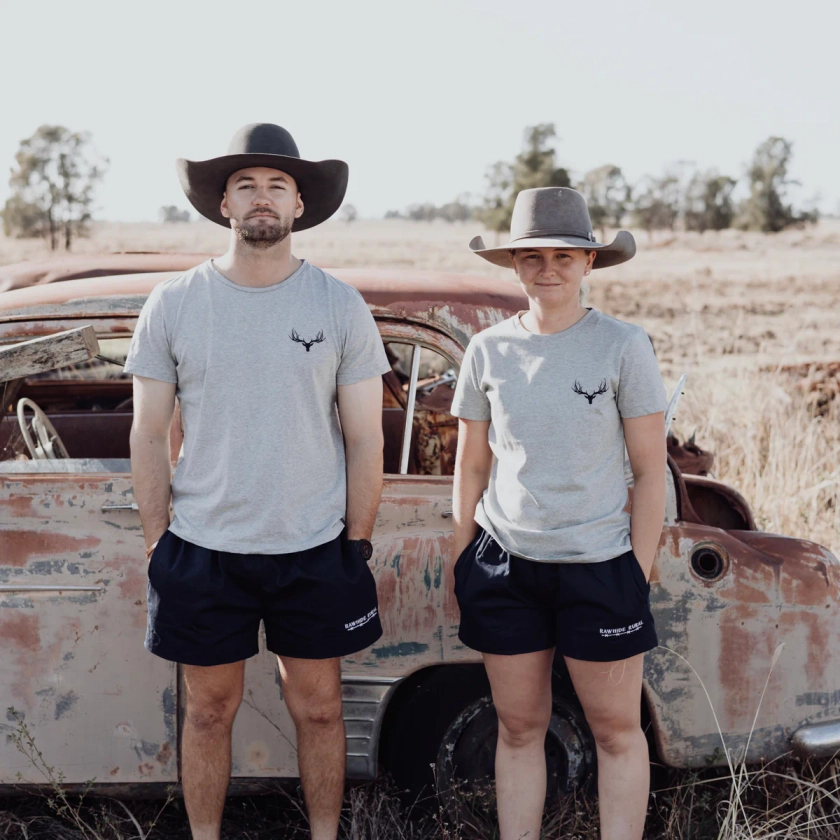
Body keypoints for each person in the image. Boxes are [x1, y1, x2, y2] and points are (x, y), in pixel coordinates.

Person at [125, 123, 390, 840]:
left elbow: (368, 436)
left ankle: (325, 835)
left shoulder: (338, 305)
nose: (262, 197)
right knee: (208, 711)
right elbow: (149, 433)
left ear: (300, 205)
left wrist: (355, 542)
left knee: (320, 708)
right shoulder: (174, 303)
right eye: (246, 184)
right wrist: (159, 541)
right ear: (223, 205)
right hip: (204, 546)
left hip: (313, 545)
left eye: (277, 185)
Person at [451, 187, 667, 840]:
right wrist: (464, 561)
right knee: (518, 728)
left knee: (617, 731)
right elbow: (471, 466)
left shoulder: (624, 346)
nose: (548, 269)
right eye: (533, 256)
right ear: (514, 264)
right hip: (505, 566)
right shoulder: (487, 351)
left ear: (590, 261)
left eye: (564, 256)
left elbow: (650, 468)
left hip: (599, 566)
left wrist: (639, 571)